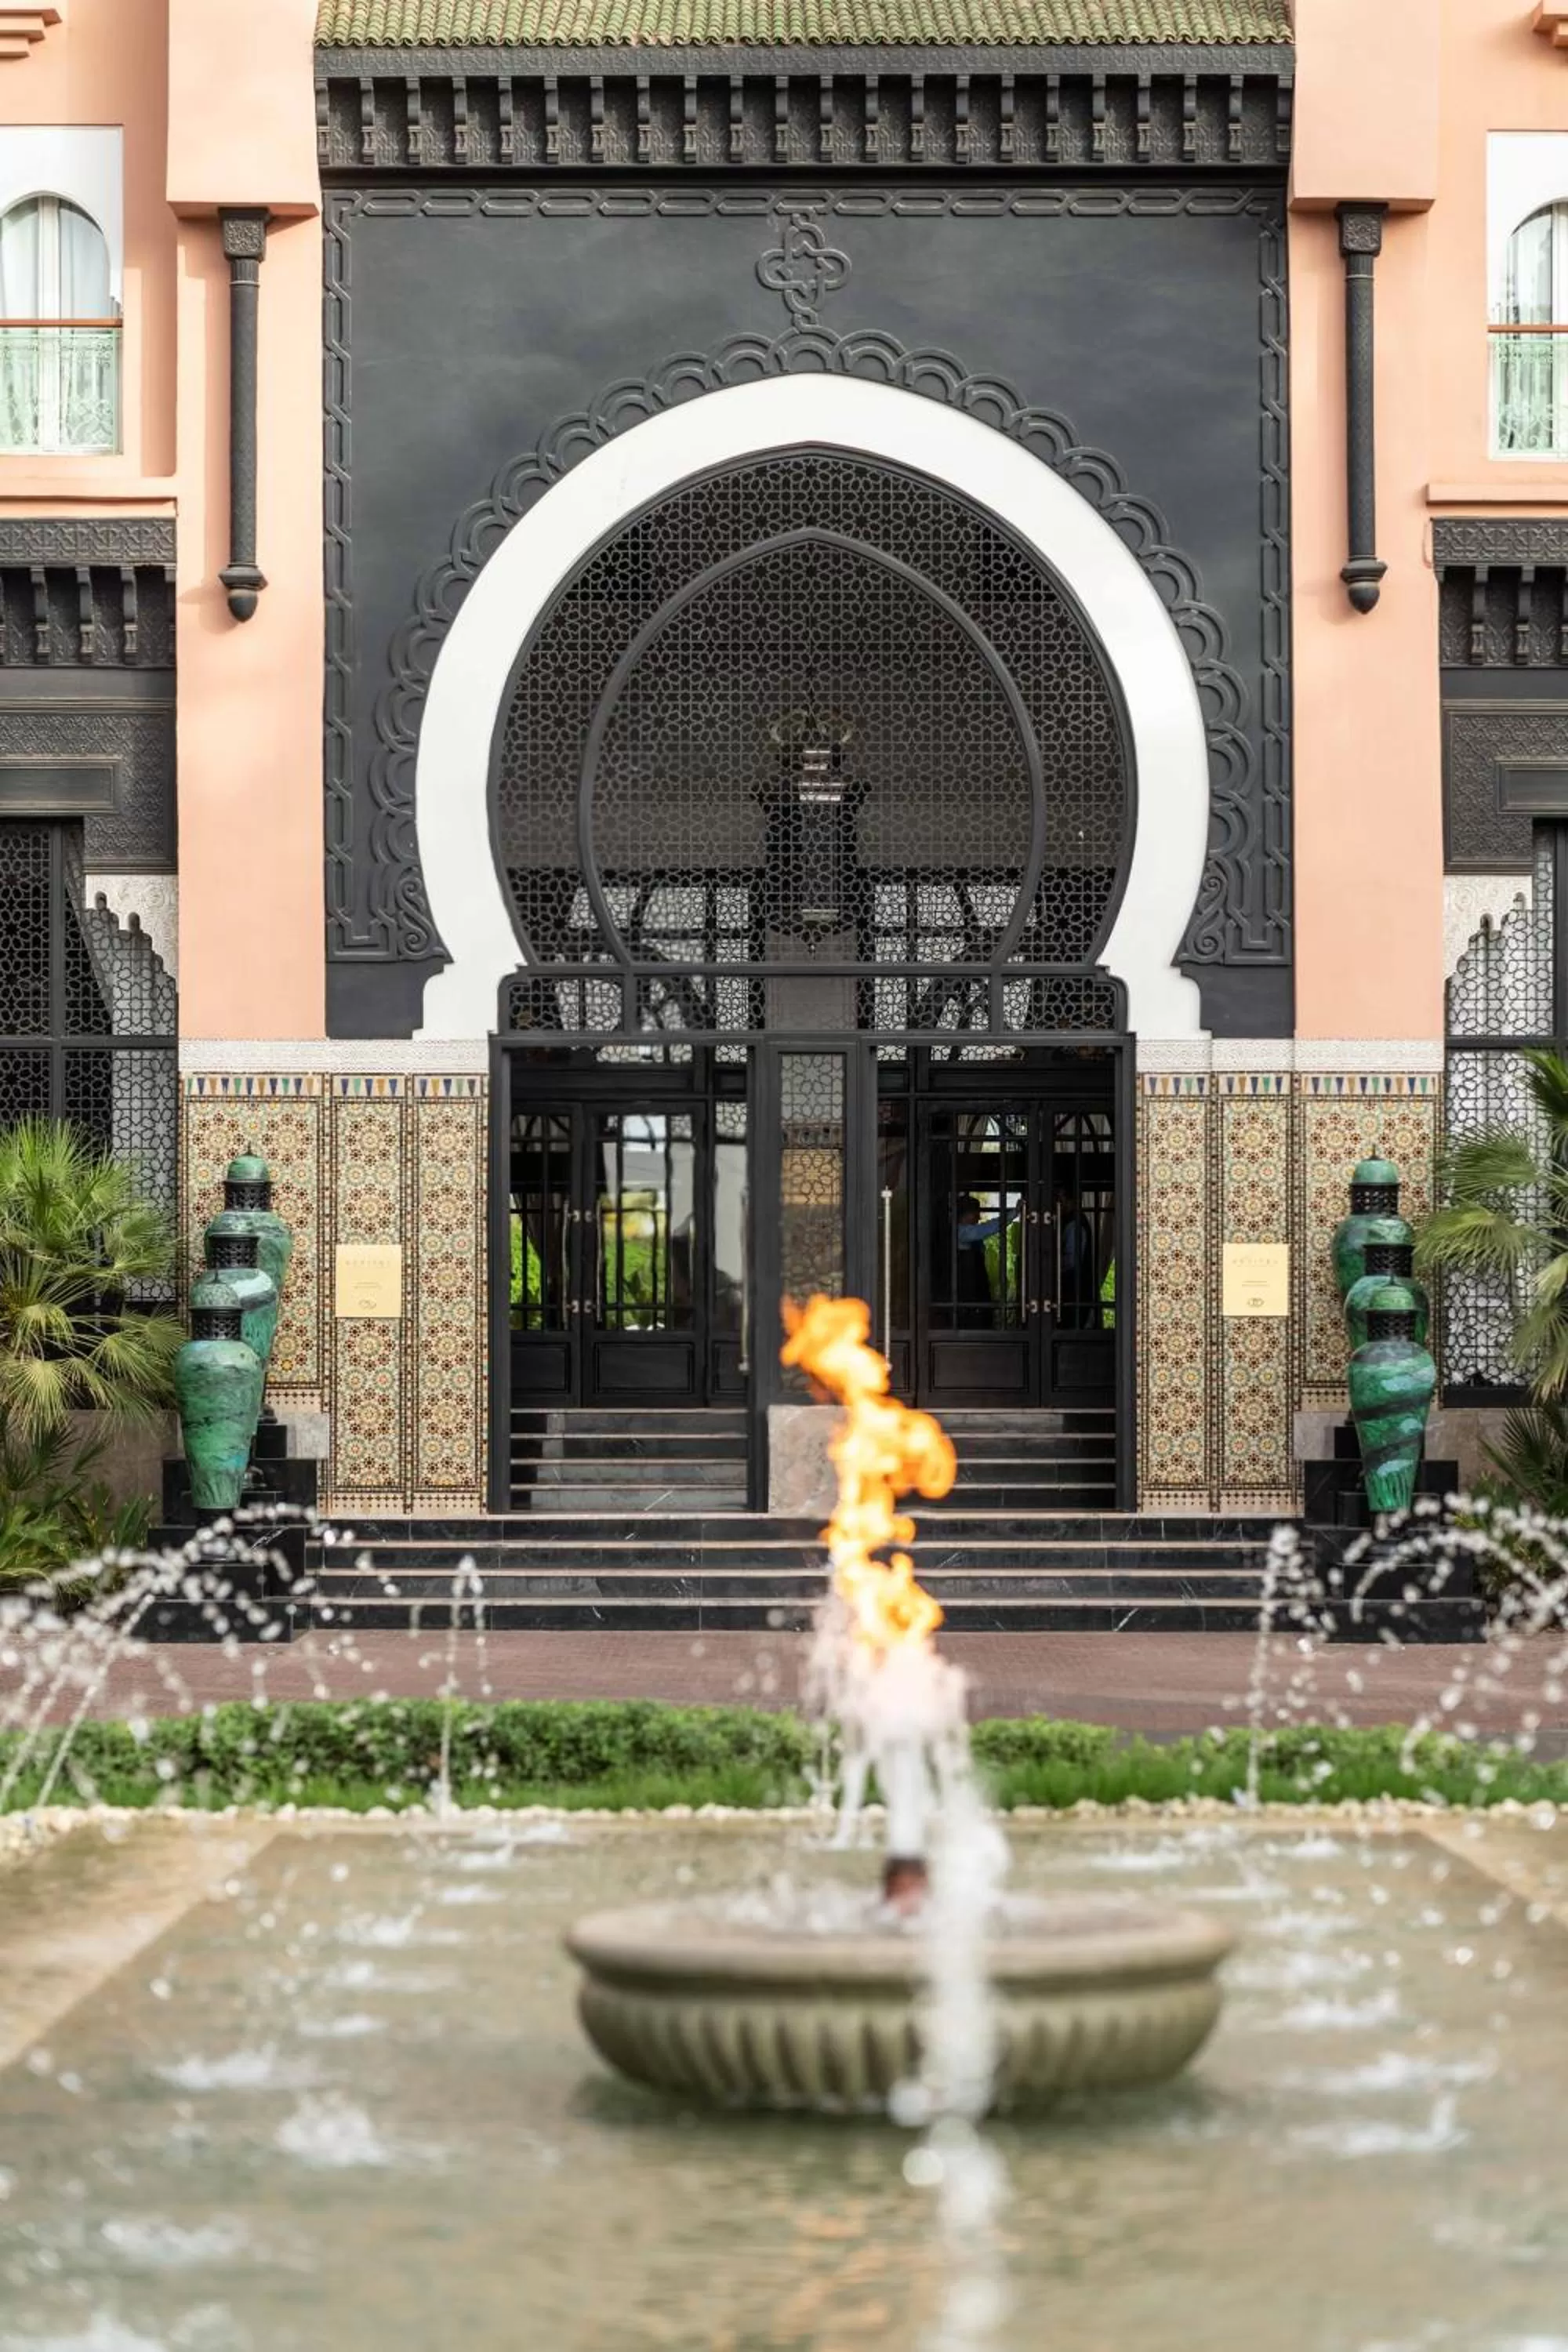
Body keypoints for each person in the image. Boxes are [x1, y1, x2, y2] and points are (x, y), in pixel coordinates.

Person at [955, 1192, 1018, 1326]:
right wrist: (1013, 1214)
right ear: (965, 1214)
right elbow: (986, 1229)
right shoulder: (961, 1232)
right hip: (966, 1296)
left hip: (973, 1293)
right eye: (975, 1213)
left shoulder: (967, 1235)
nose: (978, 1217)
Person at [1054, 1183, 1095, 1325]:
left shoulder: (1074, 1225)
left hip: (1073, 1294)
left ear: (1070, 1200)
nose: (1057, 1203)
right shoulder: (1071, 1222)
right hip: (1073, 1294)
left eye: (1060, 1199)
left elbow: (1071, 1261)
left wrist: (1050, 1269)